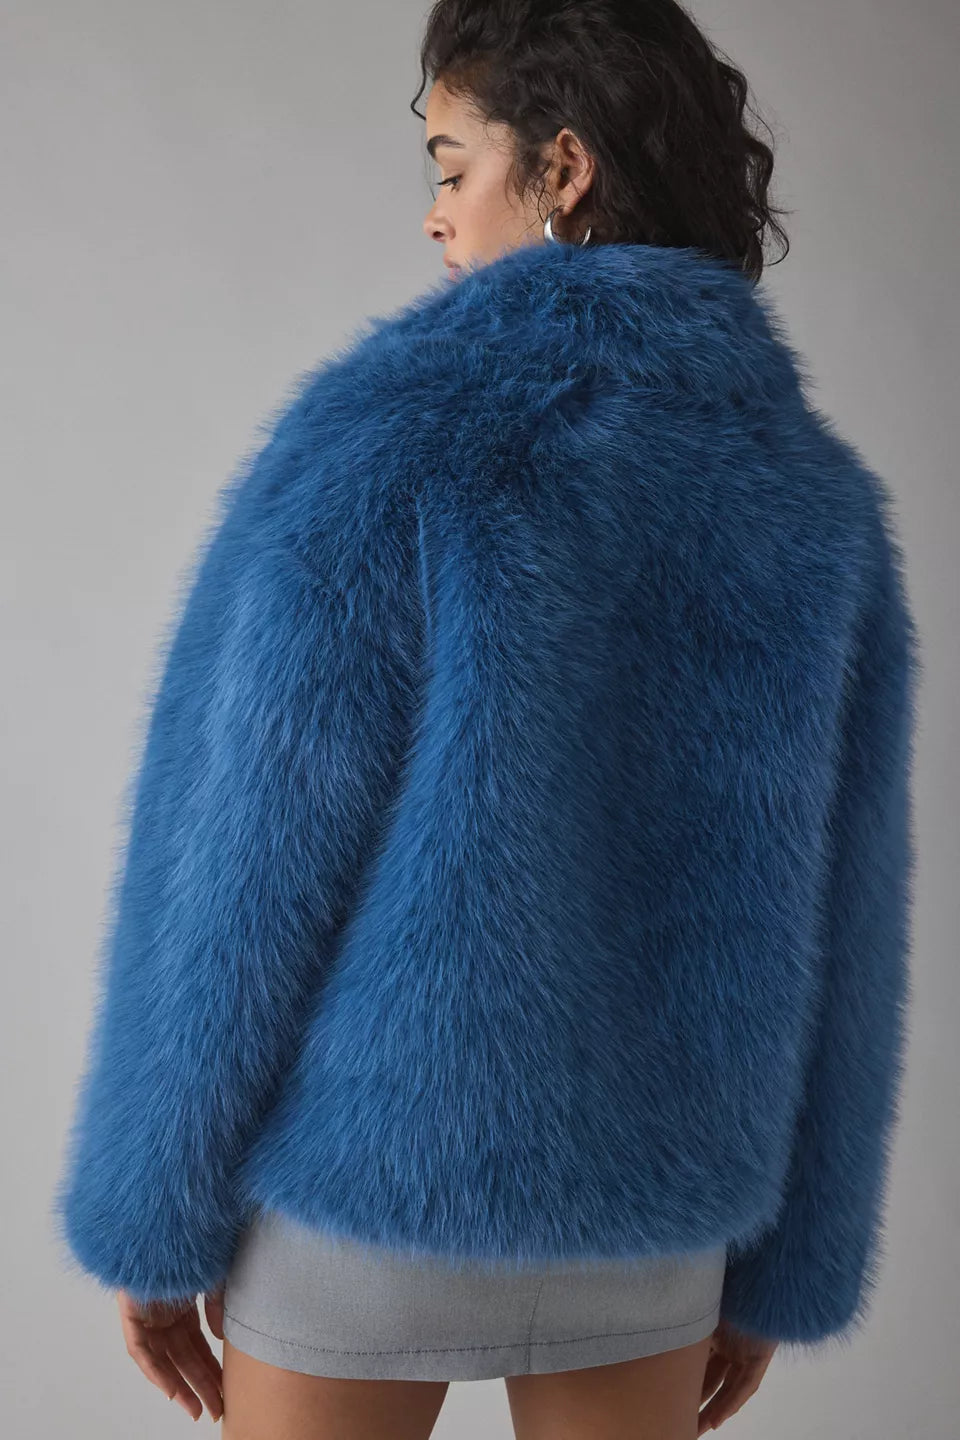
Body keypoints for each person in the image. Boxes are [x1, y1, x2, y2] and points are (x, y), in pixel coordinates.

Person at [52, 3, 920, 1438]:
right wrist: (789, 1265)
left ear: (562, 169)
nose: (435, 215)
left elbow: (238, 858)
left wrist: (156, 1211)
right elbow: (850, 916)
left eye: (454, 167)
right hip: (652, 1222)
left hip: (368, 1196)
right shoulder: (814, 498)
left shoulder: (386, 440)